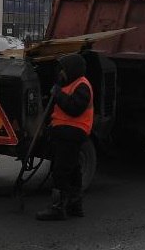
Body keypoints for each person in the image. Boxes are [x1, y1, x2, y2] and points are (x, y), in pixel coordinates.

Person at [36, 53, 93, 221]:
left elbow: (74, 108)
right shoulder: (70, 84)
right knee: (73, 169)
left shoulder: (82, 86)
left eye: (63, 69)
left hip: (72, 133)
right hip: (65, 133)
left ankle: (57, 208)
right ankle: (75, 205)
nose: (61, 73)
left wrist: (58, 94)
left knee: (60, 171)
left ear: (72, 69)